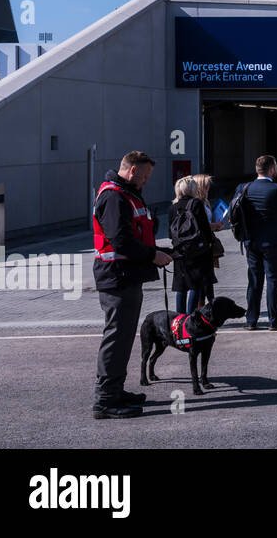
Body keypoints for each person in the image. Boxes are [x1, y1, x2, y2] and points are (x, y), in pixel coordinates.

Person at [92, 151, 171, 419]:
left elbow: (133, 235)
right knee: (117, 338)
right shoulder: (114, 196)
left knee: (123, 337)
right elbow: (121, 240)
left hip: (124, 275)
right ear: (133, 170)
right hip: (118, 276)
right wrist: (152, 255)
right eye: (145, 176)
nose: (146, 181)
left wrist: (156, 251)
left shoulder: (123, 193)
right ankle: (105, 400)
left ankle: (114, 391)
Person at [242, 154, 277, 330]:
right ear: (271, 169)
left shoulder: (245, 188)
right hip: (274, 243)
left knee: (254, 281)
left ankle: (251, 321)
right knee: (273, 281)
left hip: (251, 242)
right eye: (276, 167)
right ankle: (274, 320)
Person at [169, 173, 221, 315]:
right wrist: (209, 244)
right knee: (195, 285)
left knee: (181, 287)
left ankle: (179, 318)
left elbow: (170, 233)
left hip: (180, 251)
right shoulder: (196, 204)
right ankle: (191, 316)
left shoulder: (173, 207)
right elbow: (204, 228)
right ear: (191, 189)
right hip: (197, 251)